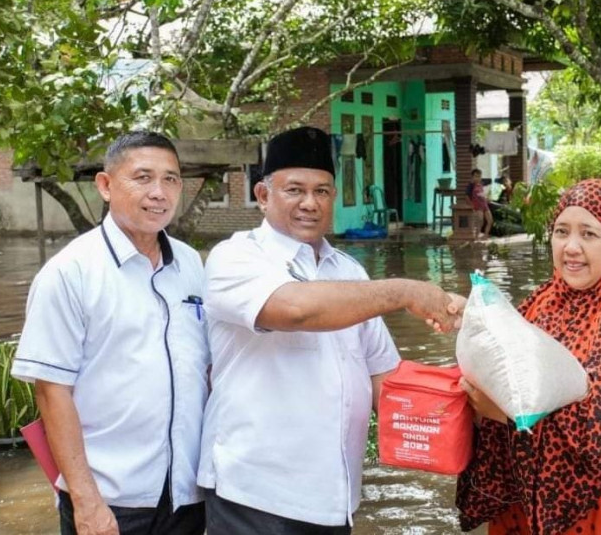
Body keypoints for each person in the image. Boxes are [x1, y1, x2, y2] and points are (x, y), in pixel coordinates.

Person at [198, 126, 463, 534]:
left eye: (322, 191)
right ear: (263, 195)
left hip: (335, 496)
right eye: (295, 190)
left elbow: (383, 377)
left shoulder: (349, 271)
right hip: (255, 495)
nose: (310, 203)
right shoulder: (235, 257)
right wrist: (405, 291)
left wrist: (460, 406)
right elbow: (296, 309)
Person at [11, 131, 209, 535]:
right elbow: (52, 391)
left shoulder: (191, 265)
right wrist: (86, 502)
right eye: (143, 177)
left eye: (170, 179)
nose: (159, 192)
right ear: (105, 185)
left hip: (187, 498)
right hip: (110, 499)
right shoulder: (70, 273)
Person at [456, 178, 601, 534]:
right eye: (561, 232)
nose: (571, 247)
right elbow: (500, 370)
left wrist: (509, 417)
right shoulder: (539, 304)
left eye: (588, 234)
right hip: (525, 500)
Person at [466, 168, 493, 237]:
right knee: (480, 222)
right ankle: (476, 237)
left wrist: (487, 199)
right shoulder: (471, 186)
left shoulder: (481, 184)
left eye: (479, 176)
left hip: (485, 205)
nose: (478, 178)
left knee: (490, 221)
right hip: (477, 207)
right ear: (472, 177)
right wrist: (471, 206)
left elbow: (481, 194)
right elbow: (467, 197)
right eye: (476, 176)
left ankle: (485, 235)